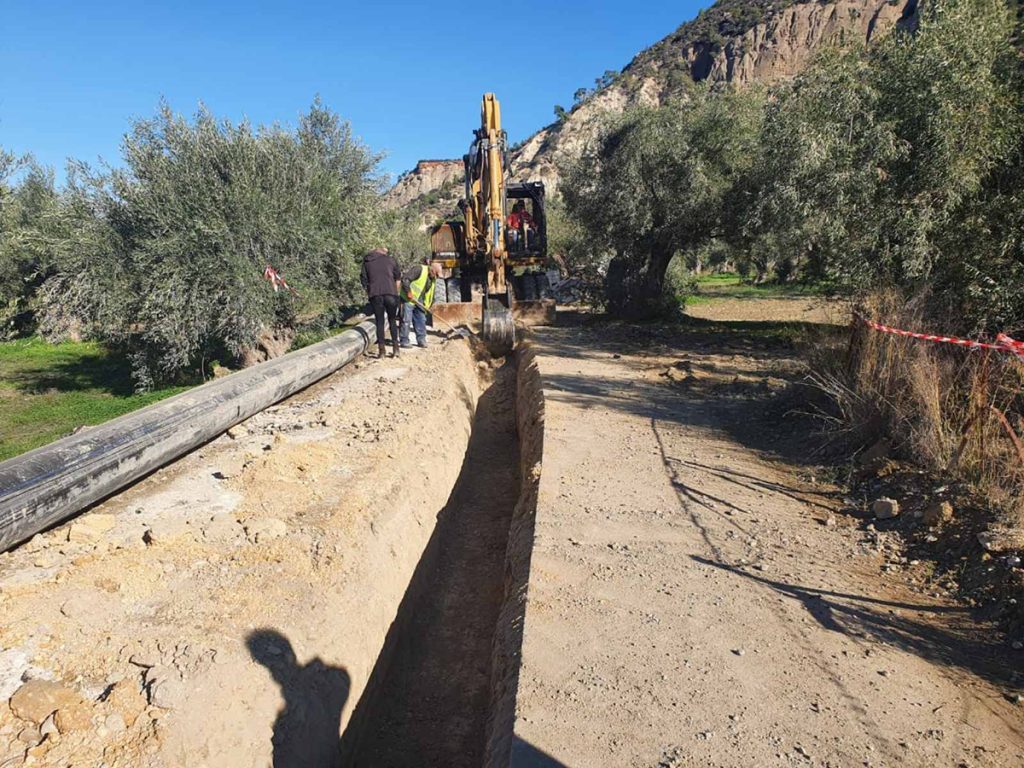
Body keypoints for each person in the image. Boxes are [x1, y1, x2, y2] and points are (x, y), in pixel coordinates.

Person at [360, 246, 402, 358]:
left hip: (375, 294)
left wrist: (369, 292)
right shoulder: (391, 260)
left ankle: (381, 351)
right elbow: (398, 279)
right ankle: (396, 349)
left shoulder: (367, 261)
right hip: (390, 293)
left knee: (379, 322)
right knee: (392, 320)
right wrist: (396, 294)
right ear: (383, 252)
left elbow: (364, 280)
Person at [401, 261, 443, 348]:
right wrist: (408, 292)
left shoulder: (432, 279)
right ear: (432, 271)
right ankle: (404, 340)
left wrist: (429, 305)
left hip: (420, 301)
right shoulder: (419, 269)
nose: (436, 277)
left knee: (421, 320)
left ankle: (421, 340)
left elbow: (430, 294)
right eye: (436, 274)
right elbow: (405, 279)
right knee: (406, 320)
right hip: (408, 299)